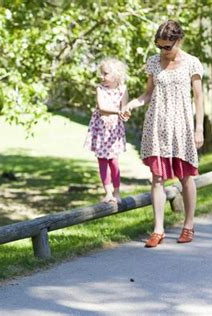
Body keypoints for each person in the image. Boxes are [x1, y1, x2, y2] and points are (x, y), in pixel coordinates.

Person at [124, 20, 204, 248]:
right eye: (160, 47)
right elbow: (147, 94)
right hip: (157, 124)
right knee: (157, 177)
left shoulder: (192, 63)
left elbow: (199, 98)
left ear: (179, 41)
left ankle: (188, 225)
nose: (164, 51)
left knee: (186, 176)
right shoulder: (153, 62)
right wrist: (131, 105)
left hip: (182, 127)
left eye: (168, 47)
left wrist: (199, 128)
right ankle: (158, 229)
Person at [85, 58, 129, 203]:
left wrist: (125, 114)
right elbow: (102, 108)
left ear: (116, 75)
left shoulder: (123, 90)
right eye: (101, 74)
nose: (101, 77)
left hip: (114, 131)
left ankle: (117, 192)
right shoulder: (100, 89)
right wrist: (118, 112)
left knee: (114, 161)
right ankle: (108, 192)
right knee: (102, 160)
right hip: (101, 130)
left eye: (105, 74)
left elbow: (124, 108)